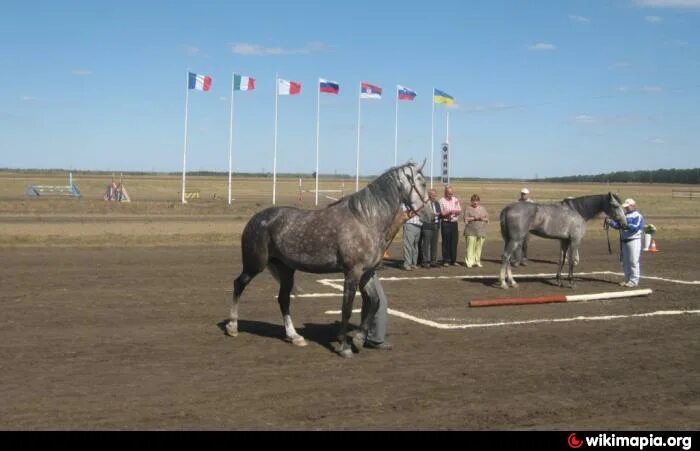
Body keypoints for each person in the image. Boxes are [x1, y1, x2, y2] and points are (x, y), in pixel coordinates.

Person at [606, 198, 645, 287]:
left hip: (634, 240)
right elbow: (617, 226)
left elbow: (635, 227)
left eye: (628, 207)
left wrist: (625, 225)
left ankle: (634, 281)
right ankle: (627, 279)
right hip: (624, 241)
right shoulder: (624, 215)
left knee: (633, 261)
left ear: (633, 206)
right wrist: (610, 222)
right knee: (625, 262)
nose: (626, 209)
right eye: (625, 207)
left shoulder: (638, 216)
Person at [463, 194, 489, 268]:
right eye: (473, 201)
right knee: (470, 247)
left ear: (479, 201)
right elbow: (465, 219)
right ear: (471, 201)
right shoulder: (468, 208)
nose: (475, 202)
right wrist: (474, 218)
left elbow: (487, 219)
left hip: (481, 231)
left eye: (477, 201)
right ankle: (469, 262)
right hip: (470, 230)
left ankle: (477, 261)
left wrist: (482, 219)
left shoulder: (482, 209)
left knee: (479, 247)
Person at [439, 186, 461, 266]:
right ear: (445, 193)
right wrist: (449, 212)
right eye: (449, 193)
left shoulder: (455, 200)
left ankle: (453, 260)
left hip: (454, 223)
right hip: (446, 223)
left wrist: (454, 212)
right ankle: (446, 260)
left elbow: (459, 210)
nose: (450, 195)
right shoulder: (441, 201)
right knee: (446, 242)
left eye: (452, 193)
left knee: (454, 241)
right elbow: (441, 213)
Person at [420, 189, 442, 268]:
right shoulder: (425, 204)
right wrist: (433, 214)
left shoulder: (437, 203)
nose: (434, 197)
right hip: (427, 226)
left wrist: (440, 214)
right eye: (432, 195)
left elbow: (439, 212)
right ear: (429, 196)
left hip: (436, 225)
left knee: (434, 244)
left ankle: (433, 261)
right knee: (426, 244)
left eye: (435, 195)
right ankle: (425, 261)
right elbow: (424, 214)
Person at [513, 187, 534, 266]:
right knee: (517, 243)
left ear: (527, 194)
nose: (523, 195)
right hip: (518, 227)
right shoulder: (517, 202)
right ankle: (517, 259)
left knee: (525, 244)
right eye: (522, 194)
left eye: (524, 194)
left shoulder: (532, 203)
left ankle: (524, 259)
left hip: (527, 227)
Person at [402, 204, 422, 270]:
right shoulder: (405, 205)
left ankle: (414, 263)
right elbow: (403, 214)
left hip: (418, 226)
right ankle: (407, 264)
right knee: (408, 245)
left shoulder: (419, 204)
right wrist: (409, 215)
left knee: (415, 246)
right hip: (409, 224)